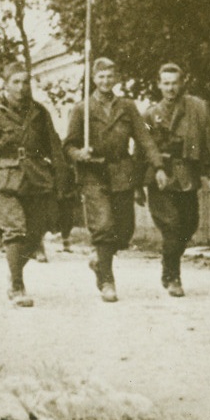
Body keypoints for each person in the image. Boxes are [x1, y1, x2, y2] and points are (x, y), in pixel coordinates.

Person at [0, 62, 69, 307]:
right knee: (15, 230)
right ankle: (17, 285)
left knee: (34, 235)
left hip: (36, 178)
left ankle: (14, 269)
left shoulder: (40, 112)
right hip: (7, 179)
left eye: (25, 82)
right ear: (5, 84)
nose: (21, 87)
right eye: (16, 82)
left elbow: (54, 147)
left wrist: (62, 182)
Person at [65, 57, 164, 302]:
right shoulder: (82, 108)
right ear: (94, 79)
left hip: (122, 170)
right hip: (94, 171)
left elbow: (144, 138)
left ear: (116, 78)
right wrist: (80, 154)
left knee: (124, 229)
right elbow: (68, 145)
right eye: (101, 77)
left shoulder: (127, 107)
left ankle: (100, 258)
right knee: (104, 225)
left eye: (110, 76)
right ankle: (107, 281)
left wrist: (158, 165)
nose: (106, 81)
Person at [142, 63, 210, 297]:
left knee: (189, 224)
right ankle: (172, 276)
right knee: (171, 226)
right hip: (160, 177)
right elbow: (142, 142)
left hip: (187, 175)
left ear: (182, 83)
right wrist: (138, 183)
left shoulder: (198, 108)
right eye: (165, 83)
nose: (170, 88)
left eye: (174, 83)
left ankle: (169, 264)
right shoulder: (150, 115)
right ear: (159, 85)